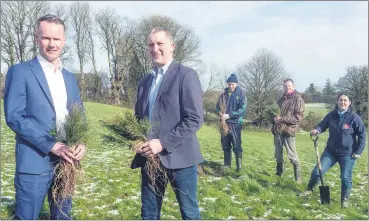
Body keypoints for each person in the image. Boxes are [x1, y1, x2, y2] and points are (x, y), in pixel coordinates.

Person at [4, 14, 86, 220]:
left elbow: (78, 114)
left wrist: (81, 142)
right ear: (36, 38)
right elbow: (14, 116)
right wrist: (51, 144)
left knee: (63, 217)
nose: (52, 44)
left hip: (66, 162)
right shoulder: (20, 71)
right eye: (46, 38)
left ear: (64, 41)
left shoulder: (69, 77)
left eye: (56, 39)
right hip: (34, 162)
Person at [130, 27, 204, 220]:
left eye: (159, 43)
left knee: (189, 213)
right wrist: (137, 140)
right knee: (149, 213)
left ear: (172, 47)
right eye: (151, 44)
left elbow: (194, 119)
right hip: (150, 159)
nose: (155, 48)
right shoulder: (144, 82)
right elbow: (139, 118)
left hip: (181, 159)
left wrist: (162, 143)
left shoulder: (186, 76)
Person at [300, 93, 366, 208]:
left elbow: (362, 135)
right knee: (317, 172)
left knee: (345, 177)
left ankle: (344, 200)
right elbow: (322, 125)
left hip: (348, 153)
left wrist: (358, 151)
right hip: (330, 151)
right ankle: (309, 189)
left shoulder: (354, 118)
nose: (343, 102)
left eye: (345, 100)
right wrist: (317, 130)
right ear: (337, 101)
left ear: (349, 102)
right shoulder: (331, 115)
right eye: (341, 100)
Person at [271, 78, 305, 183]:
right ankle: (279, 173)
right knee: (278, 154)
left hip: (289, 131)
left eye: (289, 86)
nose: (287, 88)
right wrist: (274, 118)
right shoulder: (280, 100)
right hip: (277, 130)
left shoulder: (298, 100)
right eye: (285, 86)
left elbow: (298, 118)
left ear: (293, 86)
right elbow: (273, 113)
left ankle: (298, 179)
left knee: (292, 156)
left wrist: (283, 119)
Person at [215, 74, 247, 171]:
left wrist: (230, 115)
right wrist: (219, 113)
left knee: (236, 145)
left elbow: (243, 110)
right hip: (224, 123)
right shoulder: (223, 94)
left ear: (236, 84)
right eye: (229, 84)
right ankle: (227, 165)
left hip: (235, 123)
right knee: (225, 144)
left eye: (232, 84)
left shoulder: (241, 94)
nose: (230, 86)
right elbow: (217, 107)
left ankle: (239, 168)